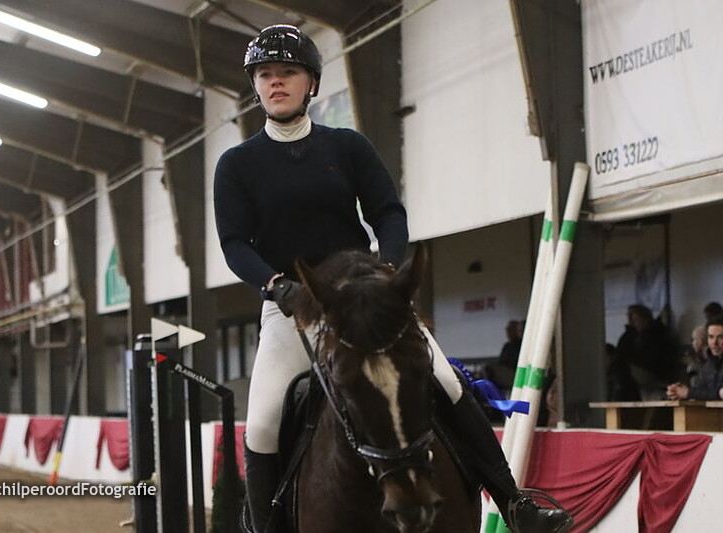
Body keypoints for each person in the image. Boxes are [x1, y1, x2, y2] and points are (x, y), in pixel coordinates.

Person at [214, 24, 571, 533]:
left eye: (287, 73)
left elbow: (387, 212)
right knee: (266, 418)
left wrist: (385, 270)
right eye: (266, 74)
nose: (276, 83)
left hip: (365, 299)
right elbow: (233, 244)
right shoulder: (236, 164)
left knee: (448, 383)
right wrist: (276, 286)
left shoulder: (348, 146)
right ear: (256, 85)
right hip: (293, 306)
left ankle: (515, 503)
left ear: (311, 83)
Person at [615, 304, 680, 400]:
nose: (633, 323)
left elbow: (657, 357)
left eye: (636, 319)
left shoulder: (657, 335)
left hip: (653, 375)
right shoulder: (630, 336)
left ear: (645, 319)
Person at [666, 318, 723, 401]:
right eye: (711, 337)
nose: (714, 343)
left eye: (720, 337)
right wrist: (678, 392)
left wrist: (688, 393)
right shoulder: (708, 367)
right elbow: (701, 392)